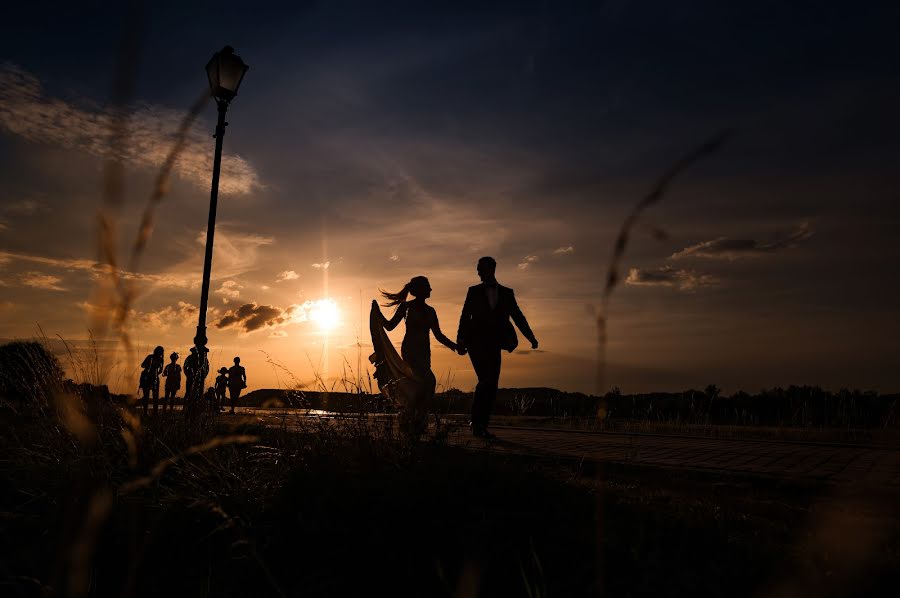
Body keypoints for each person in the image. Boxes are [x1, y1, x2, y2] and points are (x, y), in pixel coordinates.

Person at [457, 257, 538, 438]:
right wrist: (460, 339)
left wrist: (530, 336)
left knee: (492, 384)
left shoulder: (507, 293)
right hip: (476, 343)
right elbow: (464, 316)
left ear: (491, 269)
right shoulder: (473, 291)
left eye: (480, 269)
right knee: (485, 380)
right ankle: (477, 424)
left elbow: (518, 316)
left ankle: (481, 425)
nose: (478, 272)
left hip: (495, 344)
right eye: (477, 269)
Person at [370, 276, 458, 437]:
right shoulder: (406, 307)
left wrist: (455, 346)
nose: (431, 290)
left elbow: (438, 335)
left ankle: (413, 422)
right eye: (428, 287)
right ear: (418, 290)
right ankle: (414, 420)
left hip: (425, 351)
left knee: (422, 385)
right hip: (410, 351)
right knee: (428, 381)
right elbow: (389, 326)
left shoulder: (431, 311)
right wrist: (377, 314)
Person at [139, 346, 165, 416]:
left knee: (155, 397)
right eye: (159, 351)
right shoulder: (150, 357)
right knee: (146, 396)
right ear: (156, 351)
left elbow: (161, 370)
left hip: (155, 379)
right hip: (147, 378)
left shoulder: (161, 360)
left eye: (161, 352)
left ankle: (155, 413)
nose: (160, 353)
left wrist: (156, 374)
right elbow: (142, 365)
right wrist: (149, 367)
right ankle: (145, 413)